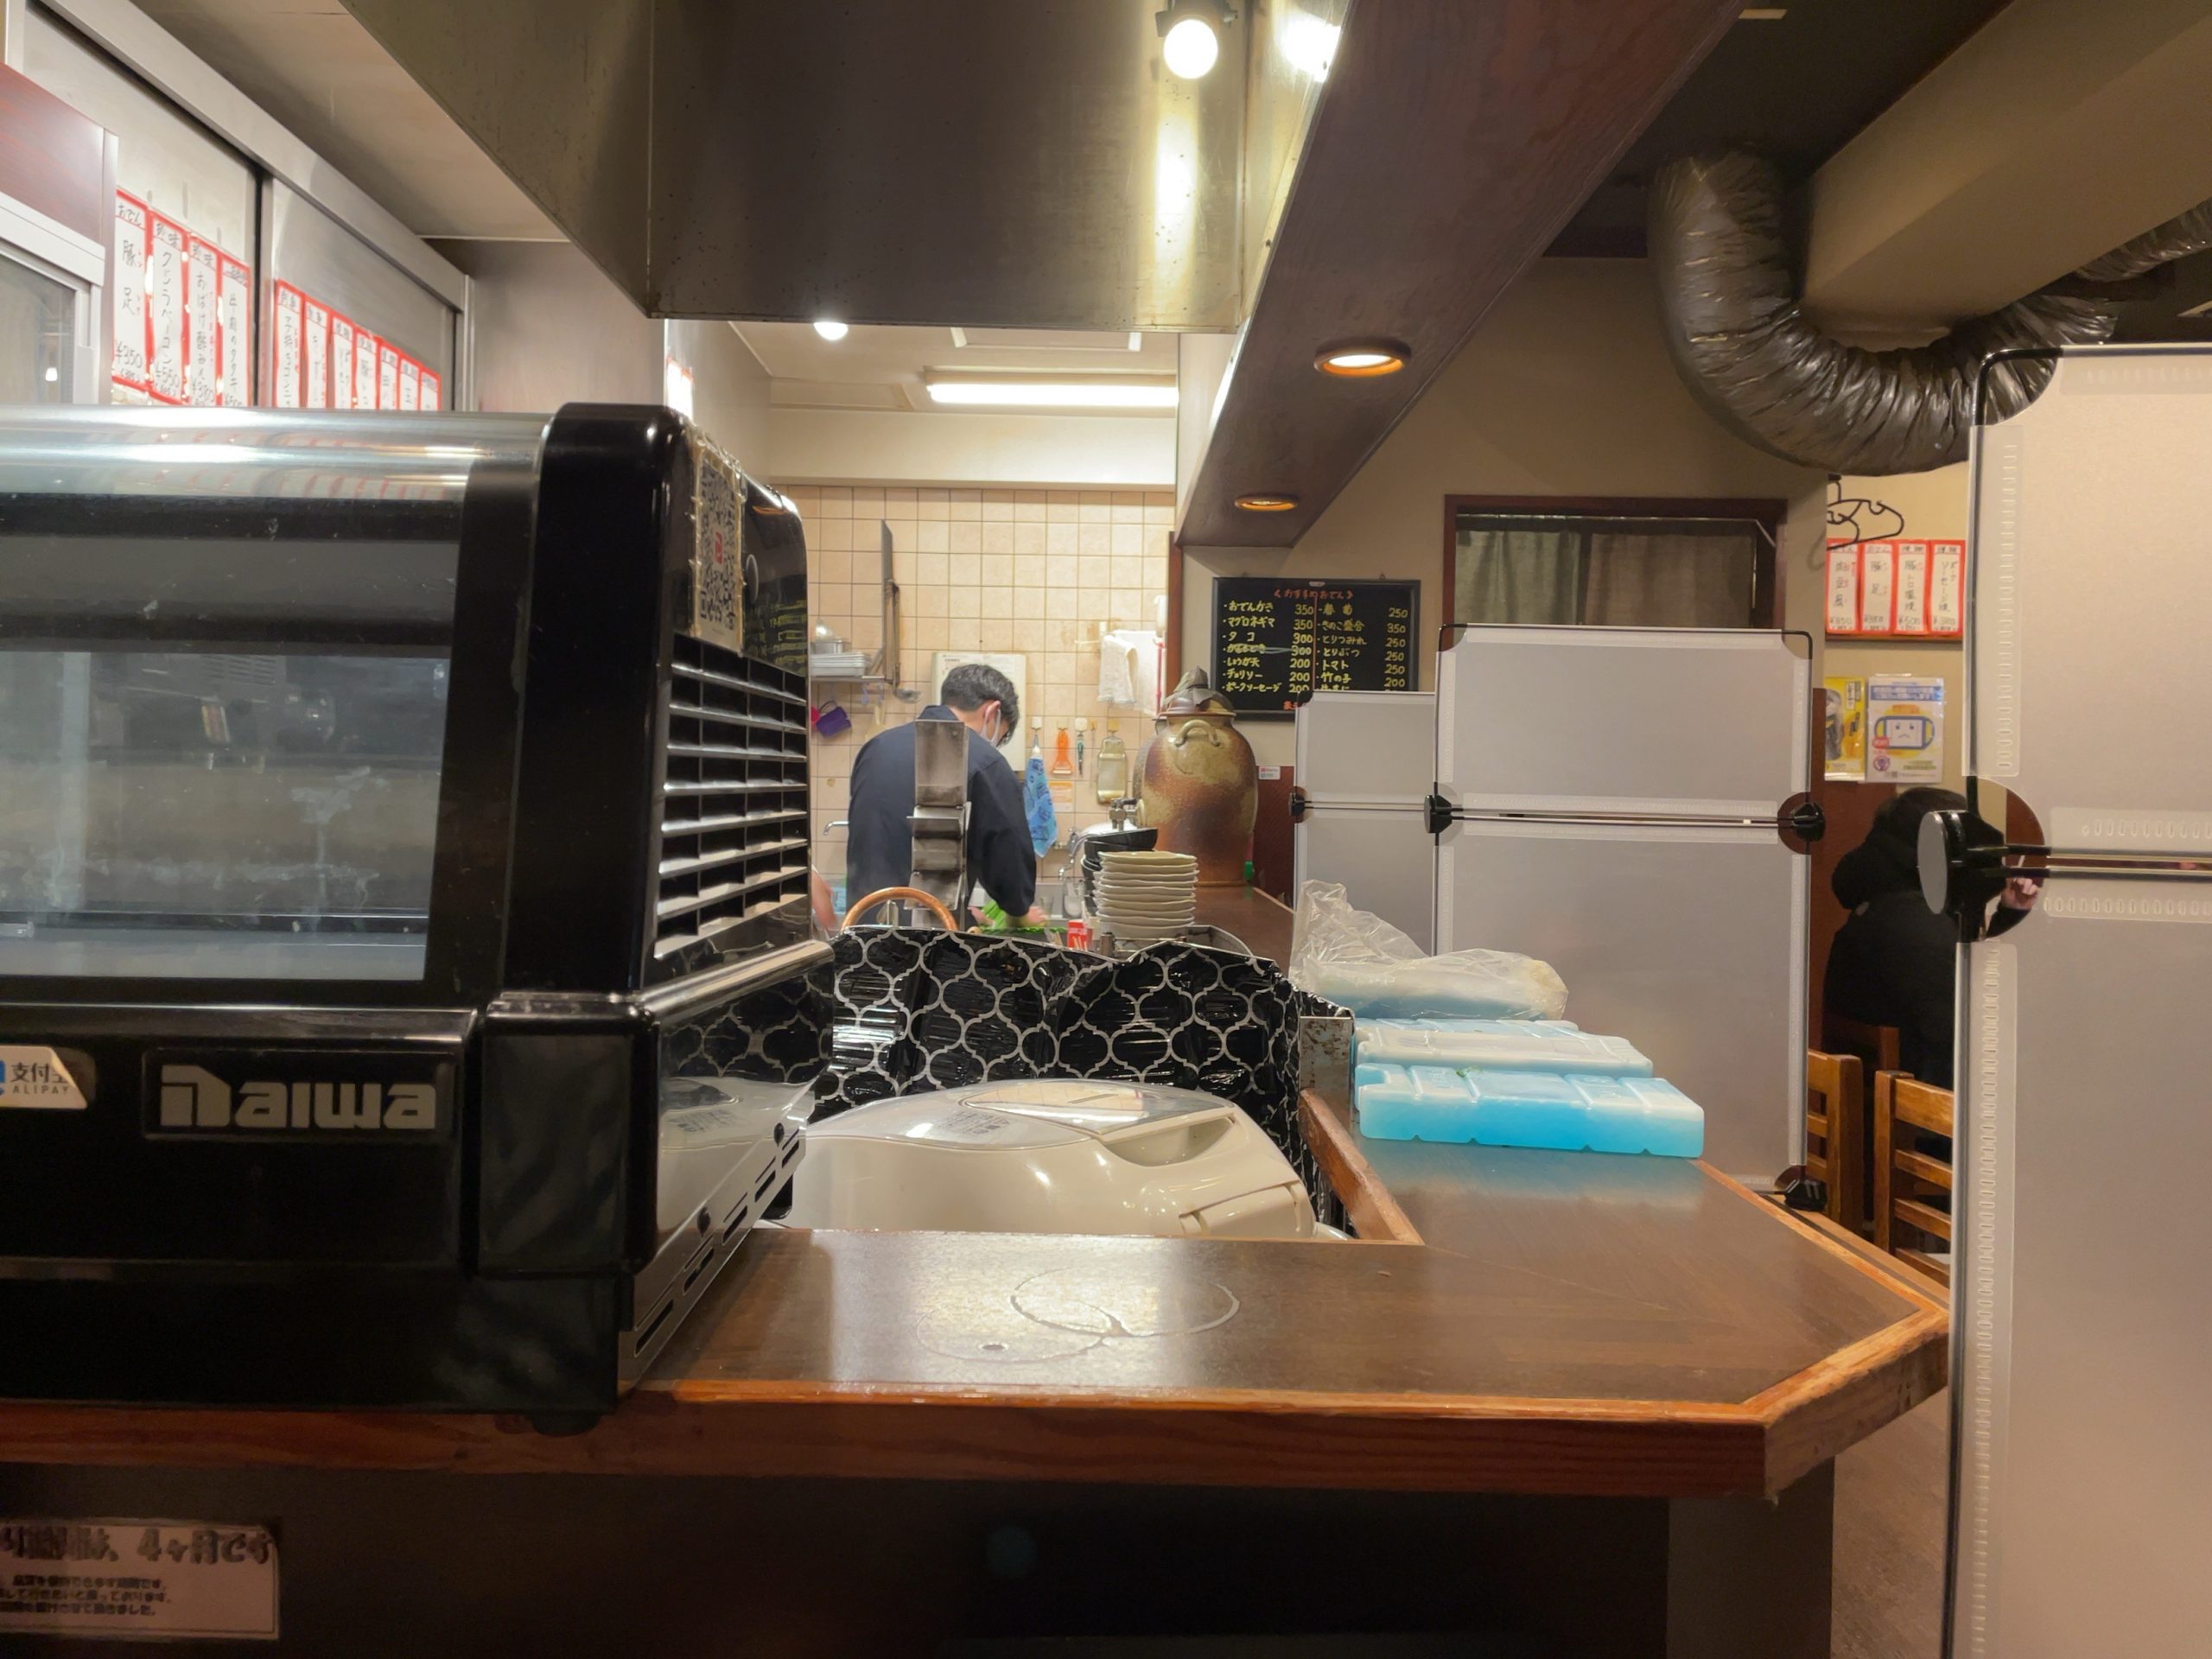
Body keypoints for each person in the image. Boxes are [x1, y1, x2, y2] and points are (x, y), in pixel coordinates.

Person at [844, 663, 1044, 925]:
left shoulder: (876, 748)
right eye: (1000, 736)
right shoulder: (985, 761)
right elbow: (1007, 856)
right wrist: (1018, 908)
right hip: (929, 938)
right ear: (992, 712)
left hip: (862, 926)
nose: (994, 744)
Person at [1824, 786, 1967, 1089]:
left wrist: (2010, 913)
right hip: (1921, 1099)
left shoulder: (1879, 906)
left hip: (1876, 1093)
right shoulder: (1919, 928)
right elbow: (1959, 1036)